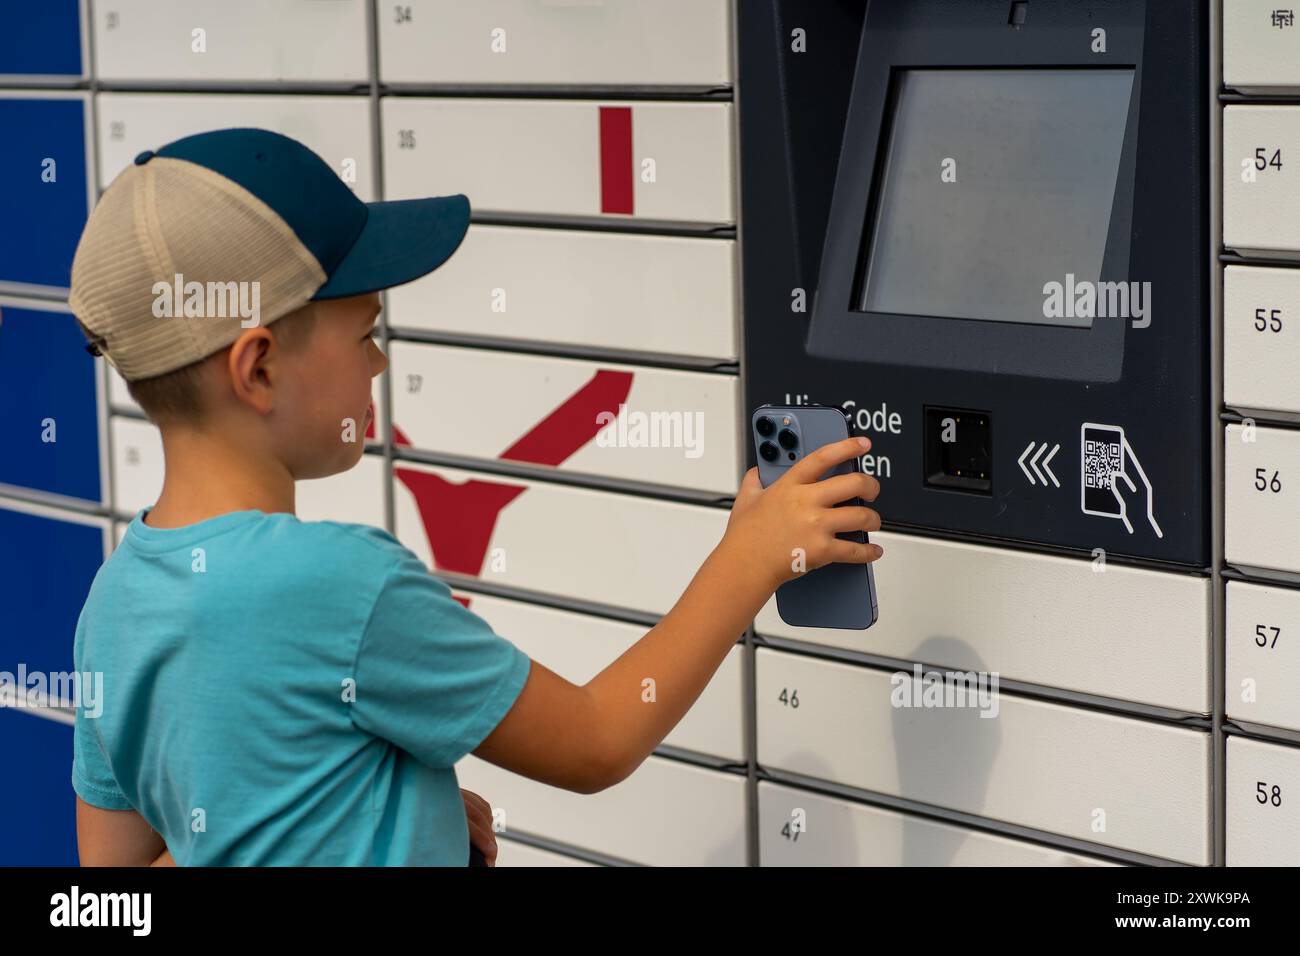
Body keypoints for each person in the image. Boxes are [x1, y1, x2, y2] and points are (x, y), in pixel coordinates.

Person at [68, 128, 882, 866]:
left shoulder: (114, 605)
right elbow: (596, 741)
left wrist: (352, 810)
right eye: (365, 334)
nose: (380, 364)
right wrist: (750, 557)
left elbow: (116, 887)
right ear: (260, 369)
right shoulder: (343, 584)